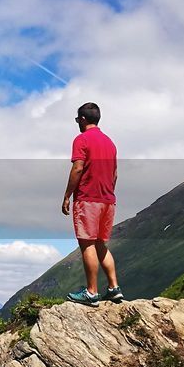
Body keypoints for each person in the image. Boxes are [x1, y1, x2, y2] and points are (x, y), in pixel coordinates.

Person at [61, 102, 123, 307]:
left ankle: (91, 292)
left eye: (78, 119)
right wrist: (108, 192)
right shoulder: (110, 143)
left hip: (88, 198)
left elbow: (78, 168)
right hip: (108, 199)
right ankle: (114, 289)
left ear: (83, 119)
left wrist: (68, 195)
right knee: (100, 244)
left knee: (87, 243)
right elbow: (114, 174)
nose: (78, 123)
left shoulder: (82, 139)